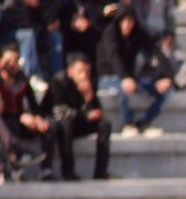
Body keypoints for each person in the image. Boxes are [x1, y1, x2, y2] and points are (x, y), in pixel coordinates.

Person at [96, 8, 171, 137]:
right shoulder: (110, 33)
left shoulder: (137, 33)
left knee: (166, 91)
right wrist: (124, 77)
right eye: (124, 22)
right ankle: (128, 123)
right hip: (108, 77)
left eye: (130, 21)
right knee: (122, 88)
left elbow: (154, 51)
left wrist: (165, 76)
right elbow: (114, 57)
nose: (127, 25)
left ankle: (144, 122)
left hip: (130, 77)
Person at [46, 53, 110, 180]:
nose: (84, 75)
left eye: (87, 72)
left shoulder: (88, 83)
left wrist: (89, 97)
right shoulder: (58, 82)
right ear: (70, 71)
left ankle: (100, 172)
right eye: (80, 71)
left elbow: (98, 112)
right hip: (58, 125)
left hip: (77, 122)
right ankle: (68, 171)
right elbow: (59, 112)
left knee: (104, 125)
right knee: (66, 123)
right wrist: (85, 115)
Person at [0, 42, 55, 181]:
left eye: (16, 60)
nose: (12, 64)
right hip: (4, 119)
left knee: (47, 126)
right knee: (8, 124)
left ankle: (46, 169)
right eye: (8, 60)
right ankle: (16, 167)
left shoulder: (22, 80)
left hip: (19, 116)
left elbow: (33, 104)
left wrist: (34, 117)